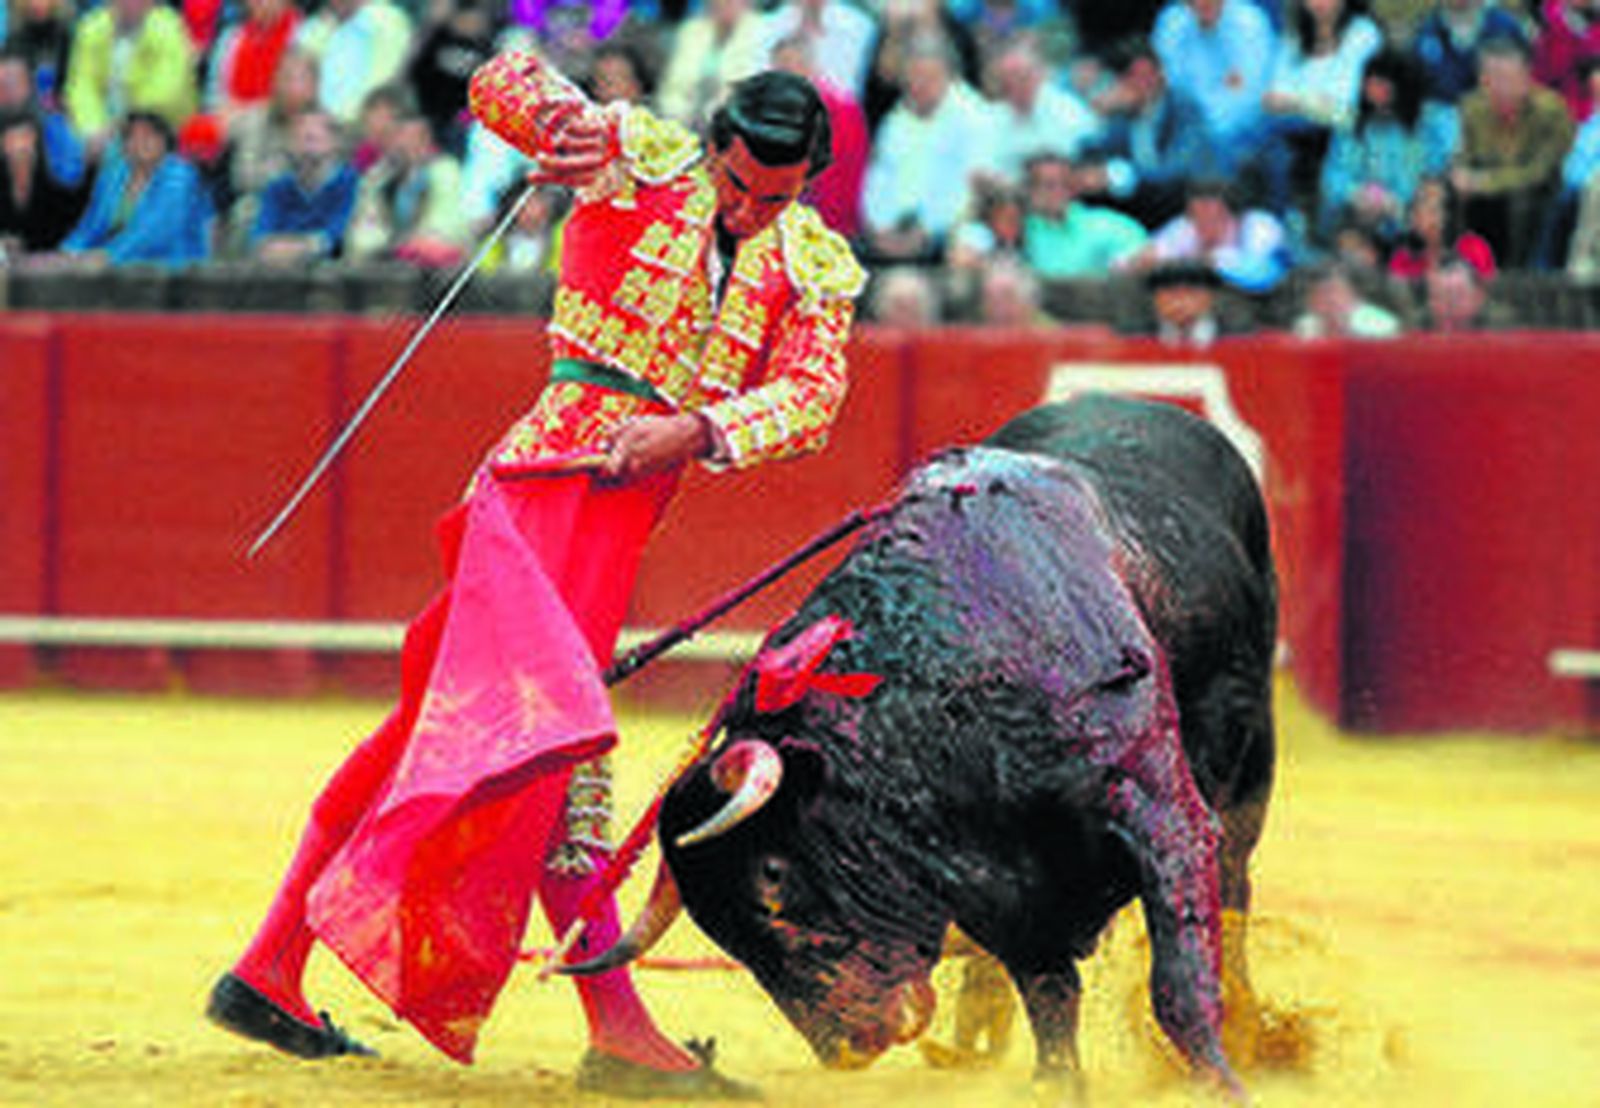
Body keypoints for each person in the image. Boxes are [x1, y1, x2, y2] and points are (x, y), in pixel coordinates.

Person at [205, 50, 862, 1101]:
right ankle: (619, 1029)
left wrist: (693, 429)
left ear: (807, 182)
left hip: (618, 510)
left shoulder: (813, 261)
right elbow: (502, 77)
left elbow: (811, 396)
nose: (743, 210)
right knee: (554, 733)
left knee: (428, 732)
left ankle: (267, 968)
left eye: (769, 197)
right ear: (712, 149)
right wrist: (556, 117)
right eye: (733, 184)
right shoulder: (639, 160)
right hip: (544, 484)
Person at [1452, 34, 1574, 266]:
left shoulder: (1551, 110)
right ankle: (1463, 264)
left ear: (1527, 77)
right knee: (1450, 195)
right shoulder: (1471, 108)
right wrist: (1462, 175)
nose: (1499, 87)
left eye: (1507, 78)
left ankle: (1518, 272)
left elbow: (1540, 170)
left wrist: (1485, 183)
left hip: (1535, 189)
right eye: (1490, 79)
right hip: (1486, 184)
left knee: (1520, 202)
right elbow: (1461, 155)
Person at [1318, 47, 1460, 241]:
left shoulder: (1434, 123)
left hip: (1411, 220)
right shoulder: (1351, 124)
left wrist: (1396, 204)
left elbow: (1434, 176)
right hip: (1357, 218)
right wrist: (1356, 194)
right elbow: (1333, 178)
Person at [53, 109, 212, 265]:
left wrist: (108, 255)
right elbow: (91, 224)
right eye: (133, 136)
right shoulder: (114, 175)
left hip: (173, 273)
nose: (141, 142)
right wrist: (69, 251)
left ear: (165, 141)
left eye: (150, 135)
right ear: (124, 145)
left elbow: (153, 232)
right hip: (118, 269)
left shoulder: (181, 176)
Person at [62, 0, 198, 159]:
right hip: (104, 134)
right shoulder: (91, 27)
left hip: (161, 133)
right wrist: (92, 128)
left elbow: (167, 93)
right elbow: (82, 85)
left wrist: (121, 127)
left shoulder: (169, 27)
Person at [249, 107, 359, 264]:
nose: (306, 149)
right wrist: (309, 246)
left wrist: (291, 248)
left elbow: (338, 239)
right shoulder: (277, 188)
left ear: (333, 143)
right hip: (281, 276)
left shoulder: (350, 183)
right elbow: (260, 241)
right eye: (299, 139)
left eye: (312, 139)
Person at [1017, 150, 1149, 278]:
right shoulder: (1019, 230)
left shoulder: (1102, 222)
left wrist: (1131, 261)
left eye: (1065, 183)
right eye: (1049, 185)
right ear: (1029, 190)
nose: (1059, 191)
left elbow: (1139, 248)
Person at [0, 106, 82, 254]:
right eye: (13, 139)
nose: (20, 146)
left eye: (26, 137)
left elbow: (68, 232)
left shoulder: (57, 180)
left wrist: (25, 245)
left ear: (35, 140)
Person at [1292, 258, 1405, 334]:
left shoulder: (1381, 326)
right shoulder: (1304, 328)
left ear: (1355, 296)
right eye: (1320, 294)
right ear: (1309, 302)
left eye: (1336, 291)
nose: (1331, 300)